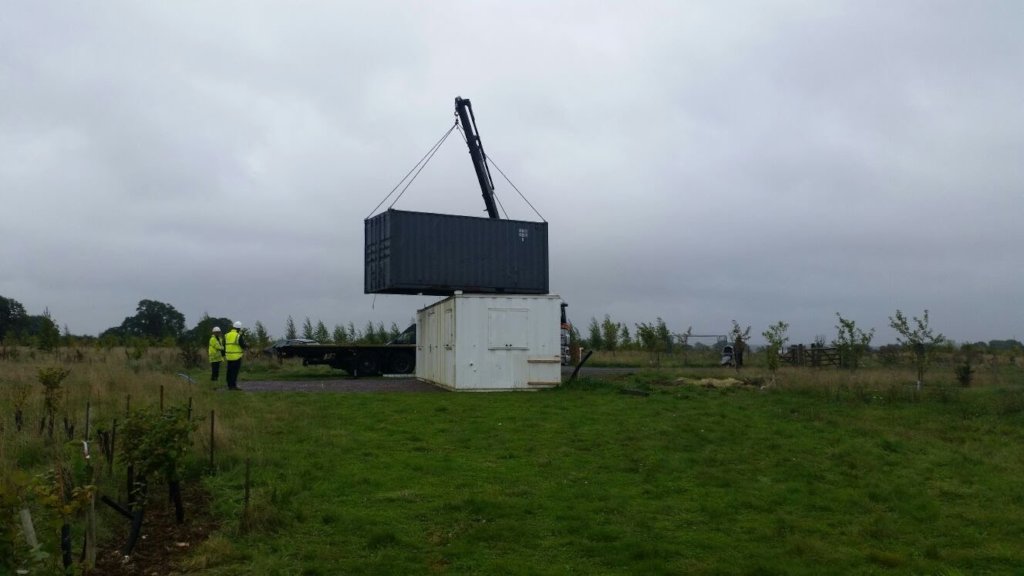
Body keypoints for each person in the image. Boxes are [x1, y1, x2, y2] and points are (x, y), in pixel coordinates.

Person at [224, 321, 249, 390]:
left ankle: (229, 385)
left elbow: (224, 345)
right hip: (236, 357)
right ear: (238, 328)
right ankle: (233, 386)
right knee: (234, 372)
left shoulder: (226, 335)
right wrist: (246, 345)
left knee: (229, 372)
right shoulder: (238, 336)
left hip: (228, 356)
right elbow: (242, 345)